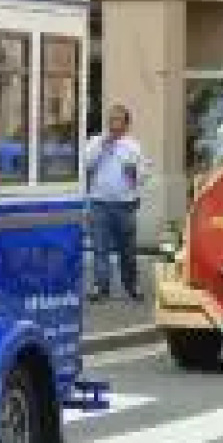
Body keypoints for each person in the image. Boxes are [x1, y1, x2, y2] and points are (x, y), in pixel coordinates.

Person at [84, 103, 149, 302]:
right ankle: (100, 287)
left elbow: (144, 173)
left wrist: (136, 174)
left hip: (124, 204)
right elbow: (86, 163)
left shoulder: (134, 146)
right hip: (99, 202)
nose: (113, 124)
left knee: (127, 250)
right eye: (111, 119)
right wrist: (103, 145)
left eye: (118, 120)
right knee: (100, 248)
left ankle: (131, 285)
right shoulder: (95, 141)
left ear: (126, 124)